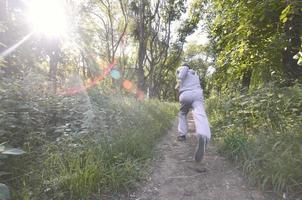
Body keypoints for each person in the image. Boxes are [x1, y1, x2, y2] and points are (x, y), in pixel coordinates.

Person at [175, 64, 211, 162]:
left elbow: (184, 69)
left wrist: (179, 80)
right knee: (200, 114)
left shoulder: (182, 69)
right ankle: (203, 134)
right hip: (197, 94)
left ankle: (182, 134)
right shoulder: (195, 74)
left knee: (182, 113)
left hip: (185, 94)